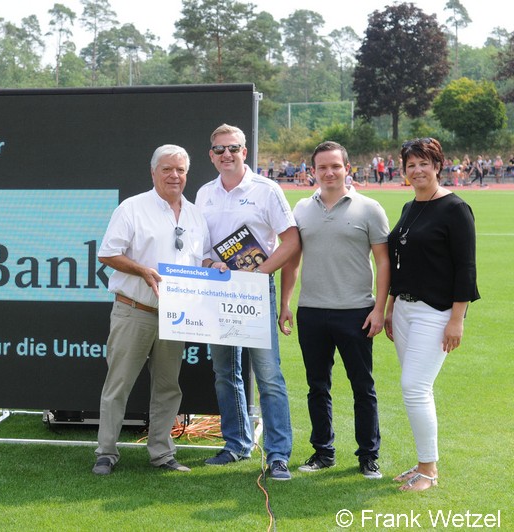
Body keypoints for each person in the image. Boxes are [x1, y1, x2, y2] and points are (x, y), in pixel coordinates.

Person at [93, 144, 210, 476]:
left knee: (168, 387)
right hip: (135, 310)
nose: (175, 176)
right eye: (167, 169)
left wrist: (212, 264)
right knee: (118, 384)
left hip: (176, 316)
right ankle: (105, 452)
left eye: (181, 170)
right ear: (154, 172)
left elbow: (199, 259)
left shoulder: (194, 214)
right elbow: (107, 253)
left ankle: (162, 453)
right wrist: (142, 270)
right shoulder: (133, 208)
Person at [279, 141, 390, 480]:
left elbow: (384, 262)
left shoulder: (369, 208)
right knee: (317, 386)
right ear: (312, 171)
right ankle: (322, 452)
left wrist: (379, 309)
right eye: (322, 167)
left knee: (362, 387)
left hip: (356, 311)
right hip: (312, 312)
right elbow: (292, 260)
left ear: (347, 169)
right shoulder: (300, 208)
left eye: (335, 166)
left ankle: (368, 456)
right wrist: (285, 303)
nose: (329, 172)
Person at [195, 123, 300, 481]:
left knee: (268, 375)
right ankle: (236, 443)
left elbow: (291, 241)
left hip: (255, 291)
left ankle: (278, 455)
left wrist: (261, 273)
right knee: (226, 373)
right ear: (211, 156)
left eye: (233, 148)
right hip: (217, 289)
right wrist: (210, 263)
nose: (227, 154)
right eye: (220, 149)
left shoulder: (266, 190)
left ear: (244, 151)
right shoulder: (204, 193)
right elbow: (198, 247)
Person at [384, 137, 480, 492]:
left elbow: (466, 268)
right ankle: (422, 461)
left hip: (436, 313)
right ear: (404, 171)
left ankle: (429, 470)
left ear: (438, 165)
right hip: (406, 310)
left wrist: (457, 318)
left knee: (415, 386)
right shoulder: (411, 208)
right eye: (411, 165)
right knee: (417, 389)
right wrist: (393, 306)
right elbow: (402, 262)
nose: (417, 170)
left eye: (424, 163)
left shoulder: (455, 209)